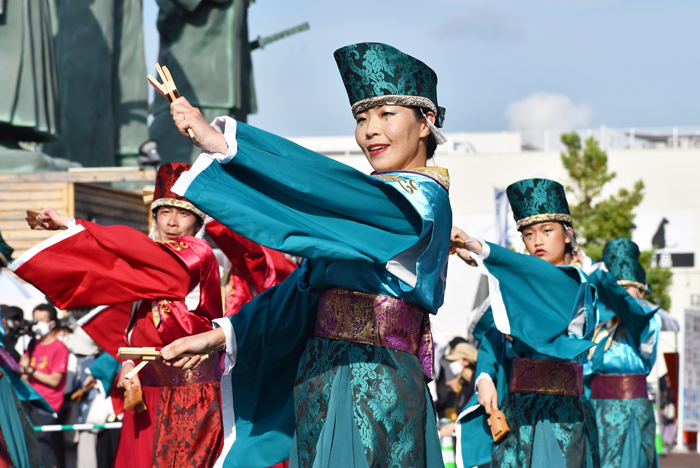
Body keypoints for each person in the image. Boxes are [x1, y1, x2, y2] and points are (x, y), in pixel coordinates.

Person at [159, 41, 452, 468]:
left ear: (426, 122)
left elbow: (329, 191)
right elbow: (299, 290)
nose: (370, 130)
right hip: (320, 377)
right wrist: (218, 334)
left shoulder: (418, 202)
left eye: (386, 114)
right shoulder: (352, 212)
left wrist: (227, 146)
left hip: (378, 379)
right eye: (361, 118)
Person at [10, 162, 225, 468]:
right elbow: (128, 321)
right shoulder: (146, 266)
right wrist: (126, 363)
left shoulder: (197, 255)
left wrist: (72, 224)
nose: (172, 222)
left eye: (183, 213)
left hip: (189, 390)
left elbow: (132, 252)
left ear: (198, 220)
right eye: (165, 212)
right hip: (146, 390)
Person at [452, 178, 598, 468]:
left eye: (547, 230)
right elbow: (492, 340)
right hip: (517, 408)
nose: (537, 241)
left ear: (567, 234)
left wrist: (480, 249)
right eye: (528, 234)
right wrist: (484, 378)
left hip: (562, 413)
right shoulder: (514, 288)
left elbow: (543, 279)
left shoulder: (577, 283)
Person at [585, 238, 661, 467]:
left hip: (629, 409)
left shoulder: (648, 320)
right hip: (594, 406)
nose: (622, 295)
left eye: (627, 289)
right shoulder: (597, 323)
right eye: (616, 289)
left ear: (641, 290)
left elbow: (646, 357)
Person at [18, 304, 69, 468]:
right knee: (30, 446)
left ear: (52, 324)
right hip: (29, 402)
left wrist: (31, 371)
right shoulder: (33, 344)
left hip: (46, 405)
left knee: (43, 445)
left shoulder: (60, 348)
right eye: (35, 320)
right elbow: (23, 372)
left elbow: (54, 380)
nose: (37, 324)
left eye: (42, 320)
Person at [439, 342, 478, 438]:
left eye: (455, 360)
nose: (451, 364)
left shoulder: (478, 383)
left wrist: (453, 426)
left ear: (466, 361)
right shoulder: (463, 384)